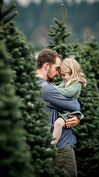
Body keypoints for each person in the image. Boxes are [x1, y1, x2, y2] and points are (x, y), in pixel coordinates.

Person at [36, 48, 81, 177]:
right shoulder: (47, 89)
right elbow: (74, 105)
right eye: (57, 68)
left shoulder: (32, 84)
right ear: (46, 66)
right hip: (61, 148)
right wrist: (78, 114)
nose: (58, 73)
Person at [51, 57, 87, 145]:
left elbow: (68, 93)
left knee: (58, 124)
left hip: (68, 112)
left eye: (64, 75)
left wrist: (51, 88)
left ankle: (53, 142)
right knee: (57, 123)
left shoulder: (77, 84)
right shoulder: (65, 82)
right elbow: (59, 88)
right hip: (64, 109)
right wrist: (53, 87)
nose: (62, 77)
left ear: (72, 72)